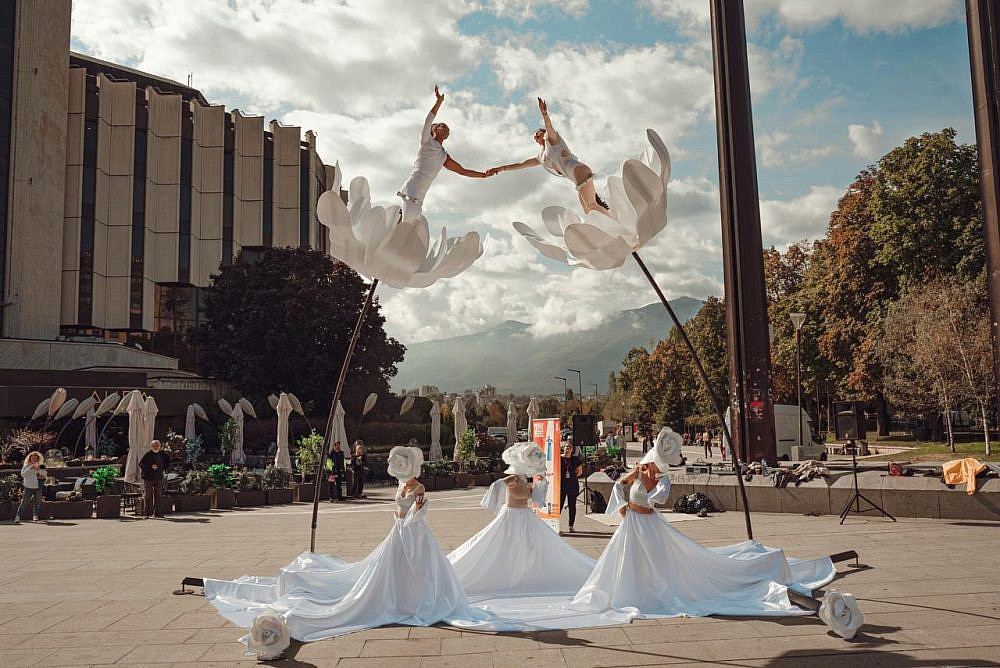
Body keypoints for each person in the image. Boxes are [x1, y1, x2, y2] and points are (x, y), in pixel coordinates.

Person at [203, 446, 486, 641]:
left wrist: (410, 516)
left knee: (418, 567)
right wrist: (400, 517)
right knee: (390, 567)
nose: (400, 469)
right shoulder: (402, 485)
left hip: (415, 532)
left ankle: (416, 599)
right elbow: (400, 506)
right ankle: (400, 596)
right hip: (399, 530)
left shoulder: (419, 487)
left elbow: (421, 510)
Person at [570, 427, 835, 618]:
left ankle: (654, 592)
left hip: (649, 523)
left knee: (658, 560)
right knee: (629, 559)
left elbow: (657, 499)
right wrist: (622, 506)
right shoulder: (639, 473)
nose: (654, 465)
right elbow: (618, 485)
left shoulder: (662, 480)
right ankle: (632, 590)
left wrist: (648, 490)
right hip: (633, 523)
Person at [450, 442, 595, 598]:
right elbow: (497, 485)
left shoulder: (524, 480)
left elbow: (535, 498)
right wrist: (500, 491)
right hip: (511, 515)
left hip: (525, 515)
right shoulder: (513, 478)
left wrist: (540, 482)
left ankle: (529, 573)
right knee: (506, 545)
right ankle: (508, 575)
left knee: (534, 545)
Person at [487, 97, 609, 216]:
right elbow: (521, 165)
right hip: (575, 177)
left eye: (538, 133)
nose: (536, 135)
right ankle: (608, 221)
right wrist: (500, 169)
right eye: (535, 135)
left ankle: (614, 223)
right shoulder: (541, 157)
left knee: (591, 205)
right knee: (589, 211)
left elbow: (549, 127)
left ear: (544, 134)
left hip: (578, 170)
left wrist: (544, 114)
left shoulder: (552, 140)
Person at [397, 85, 491, 223]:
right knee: (401, 228)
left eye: (446, 127)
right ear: (433, 130)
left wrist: (483, 175)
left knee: (405, 230)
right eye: (440, 125)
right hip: (411, 192)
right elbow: (428, 120)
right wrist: (439, 102)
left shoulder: (443, 156)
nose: (444, 127)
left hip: (419, 199)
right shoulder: (426, 142)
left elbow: (463, 171)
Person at [13, 451, 46, 524]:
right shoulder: (26, 466)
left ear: (38, 459)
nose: (34, 459)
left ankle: (35, 515)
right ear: (30, 458)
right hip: (28, 486)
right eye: (33, 458)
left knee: (37, 502)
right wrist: (31, 467)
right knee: (24, 502)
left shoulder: (41, 466)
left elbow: (44, 475)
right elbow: (23, 474)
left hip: (38, 486)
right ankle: (18, 516)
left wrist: (38, 470)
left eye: (36, 458)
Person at [139, 439, 170, 518]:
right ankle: (147, 513)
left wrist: (162, 468)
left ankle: (158, 513)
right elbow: (141, 464)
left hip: (158, 477)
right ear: (151, 446)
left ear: (160, 446)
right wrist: (150, 466)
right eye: (154, 446)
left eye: (157, 446)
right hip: (148, 477)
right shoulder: (148, 454)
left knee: (158, 495)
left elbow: (167, 462)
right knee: (148, 495)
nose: (155, 447)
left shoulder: (162, 454)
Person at [559, 441, 583, 533]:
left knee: (572, 506)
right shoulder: (559, 458)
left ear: (572, 449)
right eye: (566, 447)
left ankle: (571, 526)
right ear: (564, 448)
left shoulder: (575, 459)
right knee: (559, 505)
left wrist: (572, 476)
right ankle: (556, 524)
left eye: (569, 447)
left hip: (572, 484)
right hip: (562, 485)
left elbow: (580, 472)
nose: (568, 448)